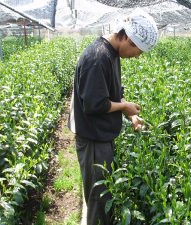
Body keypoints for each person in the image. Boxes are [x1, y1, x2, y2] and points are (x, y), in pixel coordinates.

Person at [68, 8, 159, 225]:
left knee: (105, 195)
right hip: (93, 140)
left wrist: (130, 117)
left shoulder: (111, 54)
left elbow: (111, 94)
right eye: (138, 50)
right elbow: (93, 104)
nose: (137, 56)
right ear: (126, 36)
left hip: (101, 137)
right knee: (99, 200)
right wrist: (125, 106)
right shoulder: (98, 58)